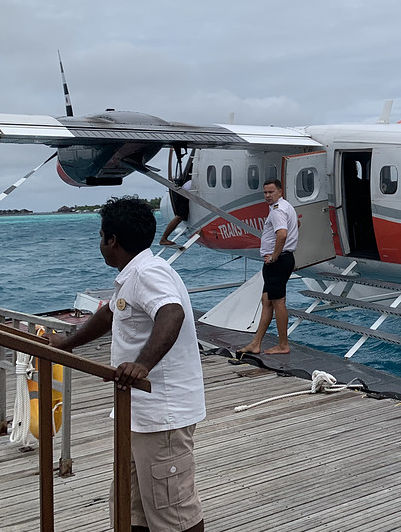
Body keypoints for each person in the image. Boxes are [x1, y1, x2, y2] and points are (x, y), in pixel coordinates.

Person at [51, 196, 205, 532]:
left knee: (173, 511)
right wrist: (65, 344)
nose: (100, 243)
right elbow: (109, 313)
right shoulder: (135, 275)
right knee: (131, 504)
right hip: (139, 413)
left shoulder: (149, 273)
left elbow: (171, 312)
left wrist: (142, 364)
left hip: (162, 414)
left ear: (112, 240)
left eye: (101, 235)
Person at [238, 179, 298, 355]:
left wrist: (274, 256)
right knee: (267, 301)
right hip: (283, 260)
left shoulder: (278, 211)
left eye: (271, 192)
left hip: (278, 261)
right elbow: (295, 226)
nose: (267, 196)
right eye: (265, 193)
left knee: (278, 302)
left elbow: (282, 234)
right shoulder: (286, 207)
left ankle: (283, 345)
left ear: (280, 192)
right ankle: (256, 343)